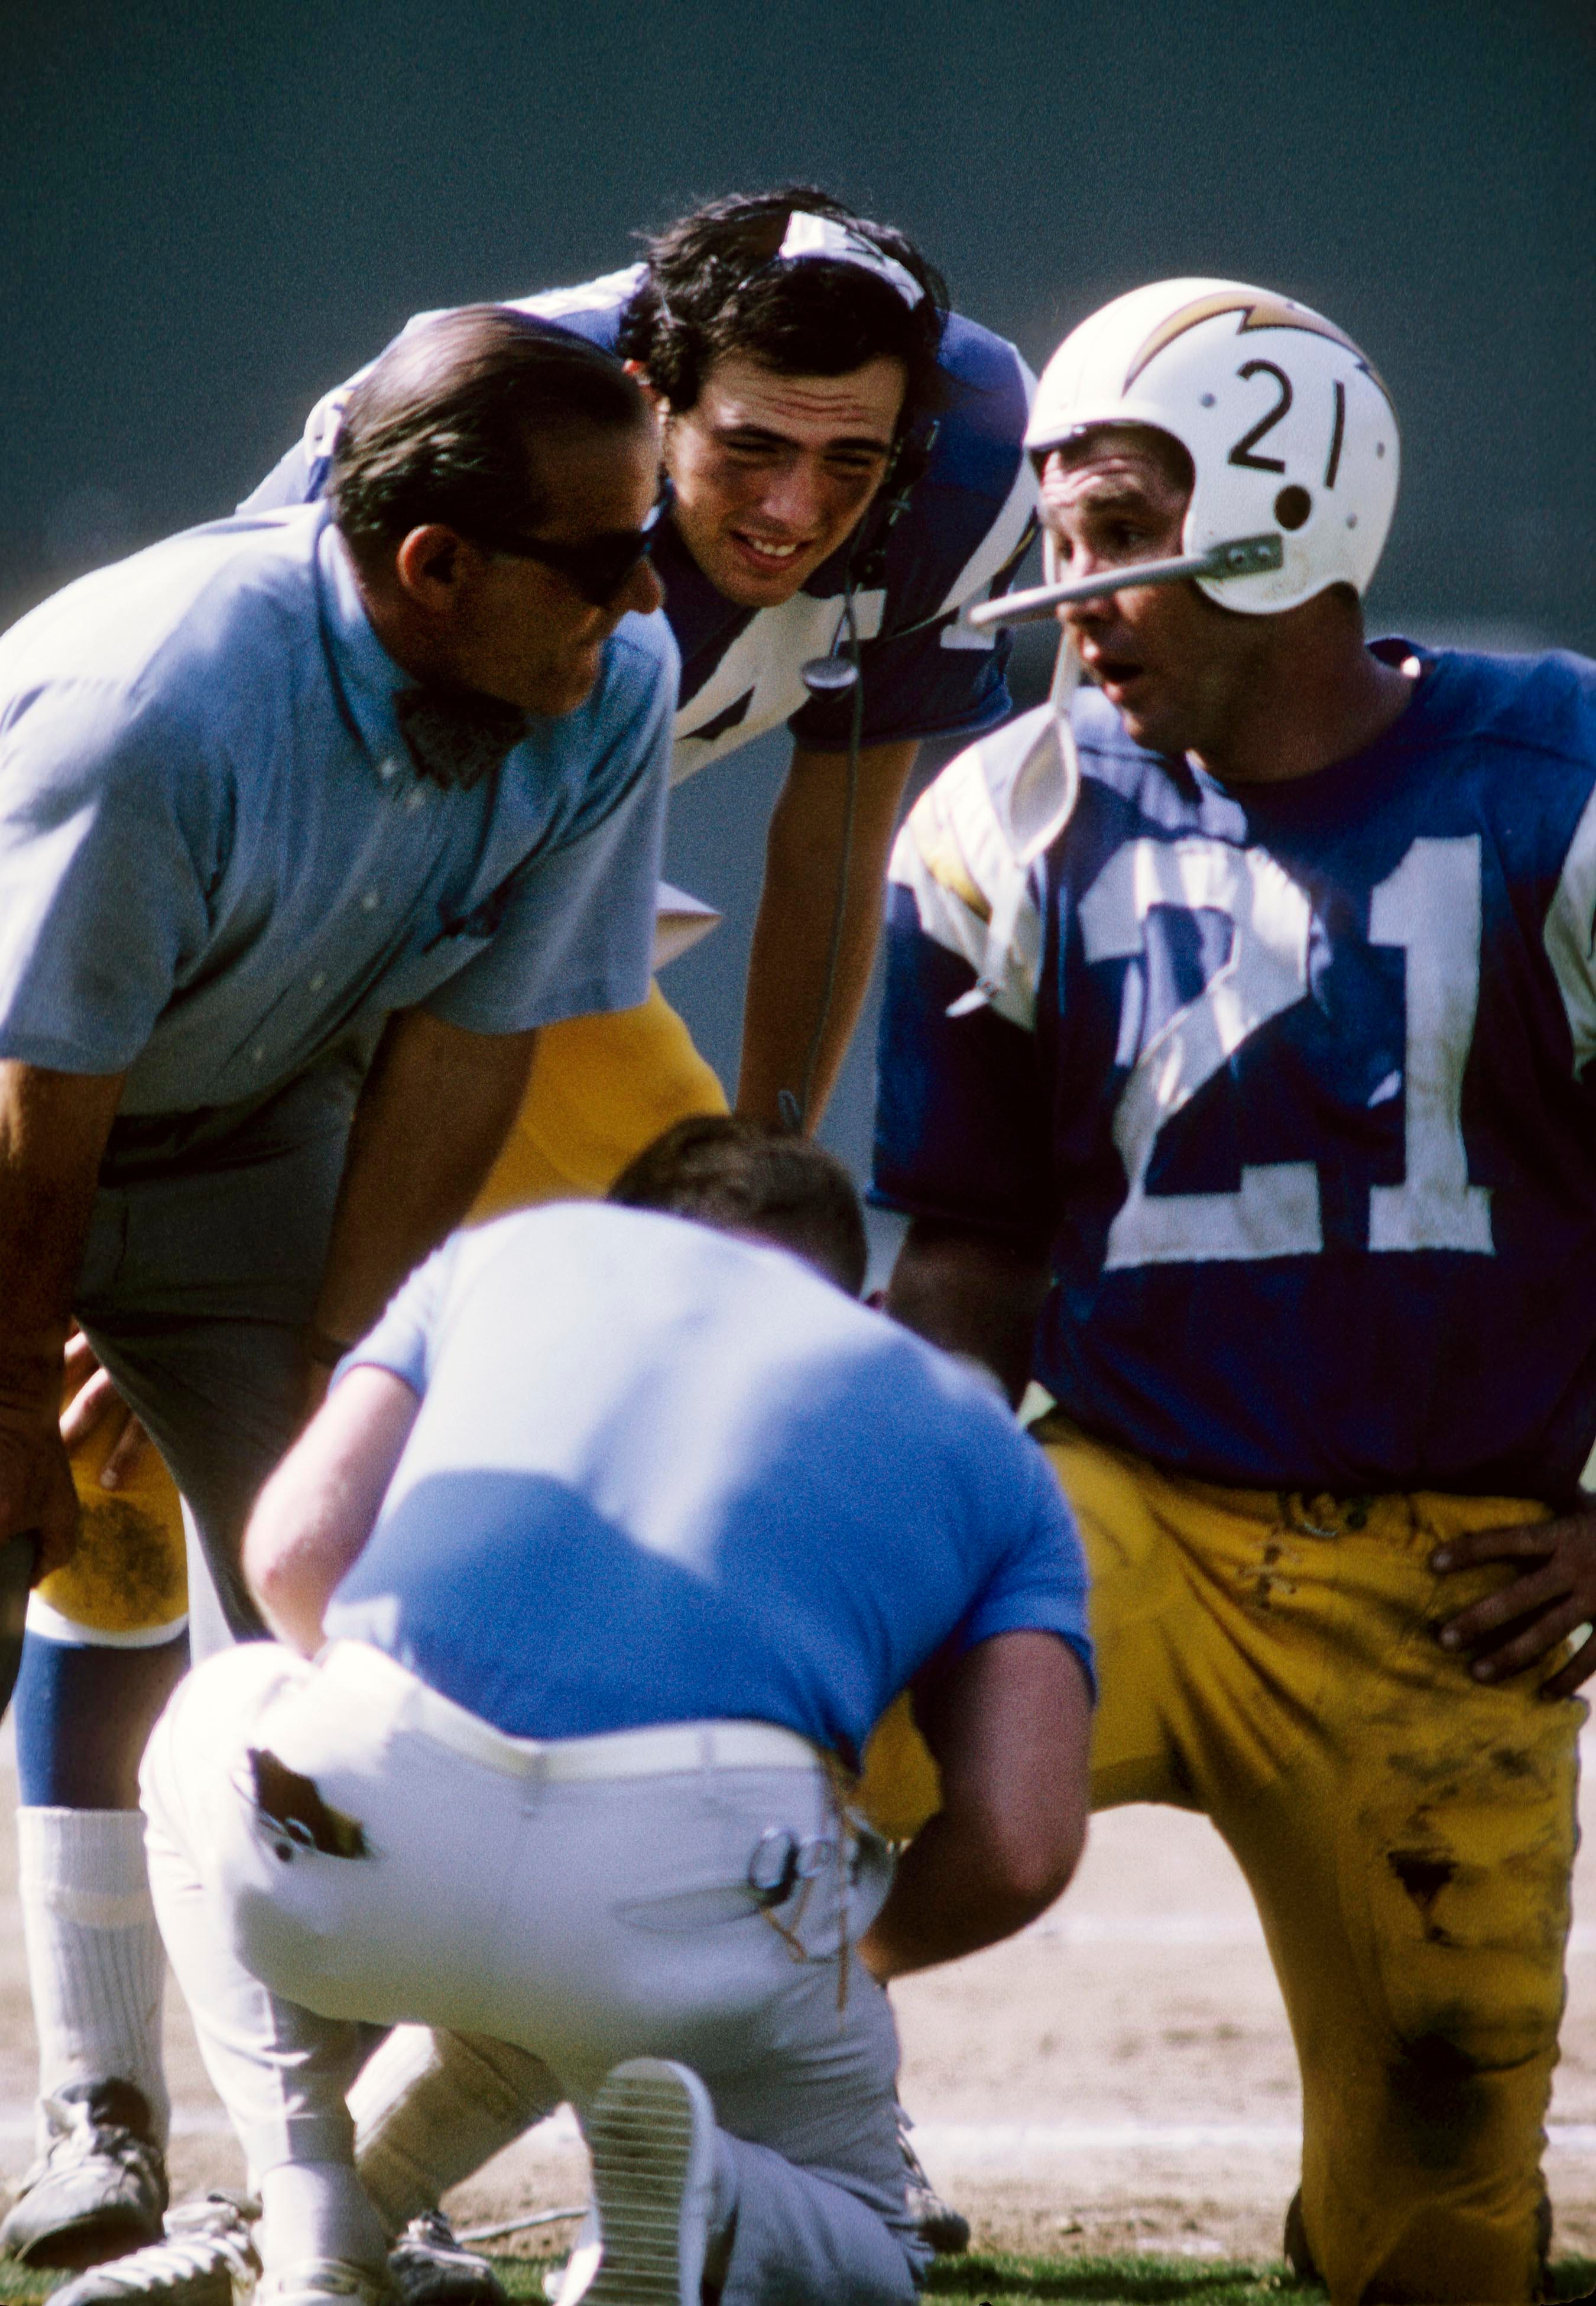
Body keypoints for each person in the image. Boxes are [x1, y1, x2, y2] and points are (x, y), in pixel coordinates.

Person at [18, 183, 1036, 2278]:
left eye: (849, 462)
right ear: (642, 399)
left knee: (652, 1407)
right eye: (747, 450)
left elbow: (817, 834)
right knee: (114, 1510)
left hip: (474, 954)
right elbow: (193, 925)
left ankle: (751, 2091)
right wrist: (134, 1292)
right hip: (215, 991)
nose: (788, 514)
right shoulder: (448, 463)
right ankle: (98, 2100)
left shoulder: (901, 484)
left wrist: (741, 1169)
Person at [870, 273, 1596, 2306]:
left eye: (1114, 535)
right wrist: (841, 1534)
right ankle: (414, 2168)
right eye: (1063, 535)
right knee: (737, 1779)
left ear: (1288, 519)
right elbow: (969, 1246)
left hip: (1451, 1579)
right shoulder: (1014, 817)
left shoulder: (1567, 781)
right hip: (1119, 1519)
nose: (1068, 592)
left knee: (1436, 2232)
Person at [0, 307, 676, 2269]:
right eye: (606, 558)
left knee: (358, 1633)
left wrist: (338, 1385)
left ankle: (327, 2194)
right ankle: (92, 2118)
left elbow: (463, 1048)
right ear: (432, 565)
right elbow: (40, 1108)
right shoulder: (160, 698)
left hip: (243, 1142)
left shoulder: (603, 684)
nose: (649, 601)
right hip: (24, 1130)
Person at [130, 1119, 1092, 2306]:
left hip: (367, 1818)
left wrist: (451, 1738)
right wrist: (841, 1949)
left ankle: (309, 2216)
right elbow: (1021, 1844)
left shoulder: (506, 1256)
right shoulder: (982, 1441)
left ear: (624, 1235)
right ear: (870, 1300)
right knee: (866, 2235)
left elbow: (289, 1559)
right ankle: (720, 2201)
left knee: (209, 1711)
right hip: (703, 1894)